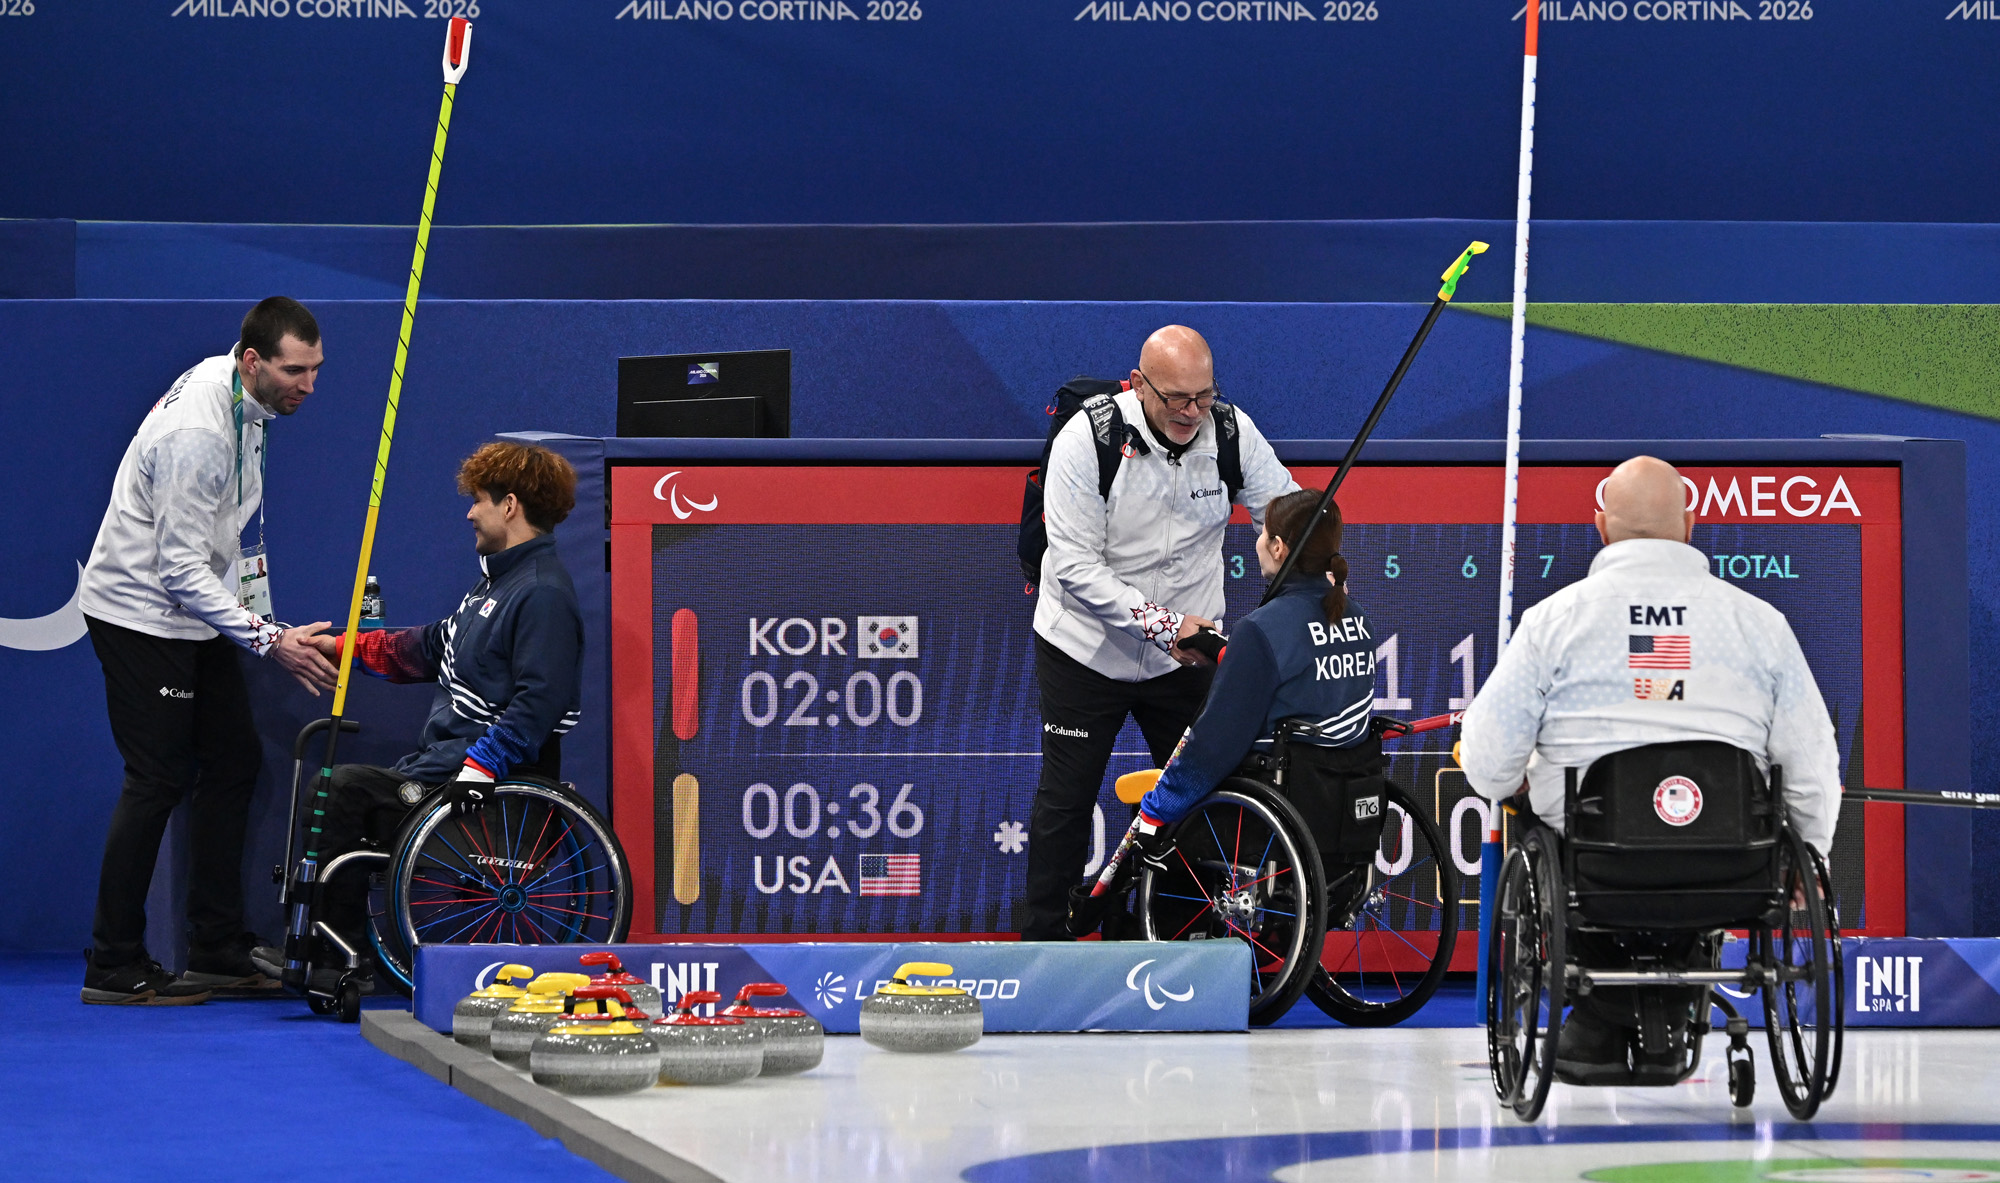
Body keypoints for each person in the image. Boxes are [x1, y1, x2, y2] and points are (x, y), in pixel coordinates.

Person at [1458, 454, 1841, 1079]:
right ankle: (1657, 997)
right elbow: (1811, 759)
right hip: (1735, 865)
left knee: (1528, 805)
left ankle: (1603, 1017)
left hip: (1596, 866)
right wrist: (1812, 855)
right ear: (1690, 527)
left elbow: (1486, 761)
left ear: (1600, 528)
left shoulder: (1553, 622)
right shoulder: (1760, 625)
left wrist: (1517, 778)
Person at [79, 297, 341, 1006]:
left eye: (317, 369)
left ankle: (217, 946)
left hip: (196, 618)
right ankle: (114, 961)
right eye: (296, 370)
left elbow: (225, 539)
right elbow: (180, 570)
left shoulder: (247, 401)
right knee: (157, 775)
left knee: (233, 757)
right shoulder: (200, 430)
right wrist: (272, 640)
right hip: (141, 615)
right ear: (253, 361)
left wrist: (256, 624)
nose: (308, 386)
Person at [267, 442, 584, 988]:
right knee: (339, 787)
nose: (469, 513)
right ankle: (324, 945)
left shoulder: (541, 594)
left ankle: (331, 958)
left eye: (478, 501)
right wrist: (343, 647)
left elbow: (542, 699)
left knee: (343, 789)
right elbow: (428, 647)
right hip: (440, 769)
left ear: (509, 506)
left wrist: (482, 766)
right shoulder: (496, 585)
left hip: (480, 788)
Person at [1023, 324, 1298, 940]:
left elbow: (1283, 510)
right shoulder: (1086, 440)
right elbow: (1072, 568)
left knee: (1200, 798)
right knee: (1065, 803)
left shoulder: (1230, 431)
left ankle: (1176, 938)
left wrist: (1306, 544)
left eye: (1203, 396)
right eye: (1176, 399)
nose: (1192, 413)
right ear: (1140, 384)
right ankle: (1044, 948)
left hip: (1187, 659)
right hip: (1084, 650)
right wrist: (1161, 624)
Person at [1129, 489, 1379, 853]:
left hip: (1278, 807)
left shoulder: (1262, 630)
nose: (1258, 540)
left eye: (1262, 532)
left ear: (1278, 547)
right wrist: (1225, 650)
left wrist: (1160, 805)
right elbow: (1302, 679)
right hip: (1345, 806)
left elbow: (1216, 742)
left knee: (1166, 827)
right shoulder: (1358, 617)